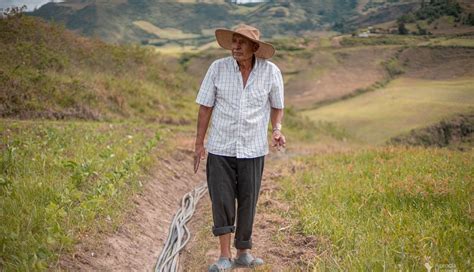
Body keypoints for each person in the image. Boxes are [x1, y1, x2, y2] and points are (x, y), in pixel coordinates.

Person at [193, 24, 286, 272]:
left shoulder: (271, 72)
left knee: (248, 199)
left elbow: (277, 105)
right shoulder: (217, 69)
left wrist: (276, 129)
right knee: (221, 199)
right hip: (221, 147)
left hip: (253, 149)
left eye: (241, 42)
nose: (235, 46)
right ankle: (224, 256)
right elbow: (205, 107)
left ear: (255, 47)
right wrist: (199, 144)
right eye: (234, 41)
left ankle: (244, 252)